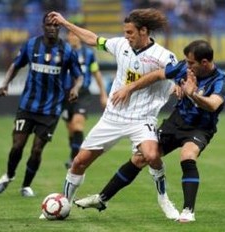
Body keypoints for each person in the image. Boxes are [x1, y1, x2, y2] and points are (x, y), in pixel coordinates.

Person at [74, 40, 225, 223]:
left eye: (191, 62)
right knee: (141, 158)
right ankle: (101, 199)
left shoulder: (221, 80)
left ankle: (188, 210)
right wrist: (130, 87)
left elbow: (213, 105)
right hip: (176, 121)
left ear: (204, 63)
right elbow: (157, 75)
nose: (187, 65)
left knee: (187, 156)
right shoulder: (183, 69)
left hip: (200, 127)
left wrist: (193, 93)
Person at [46, 8, 180, 219]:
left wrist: (179, 85)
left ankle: (163, 199)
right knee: (80, 161)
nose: (126, 37)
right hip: (113, 116)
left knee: (152, 155)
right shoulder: (120, 45)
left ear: (144, 31)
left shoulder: (163, 56)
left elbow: (178, 73)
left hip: (142, 118)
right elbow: (93, 39)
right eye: (125, 32)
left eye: (130, 33)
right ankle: (65, 203)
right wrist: (66, 23)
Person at [0, 13, 83, 197]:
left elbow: (79, 76)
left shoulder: (67, 51)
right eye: (49, 25)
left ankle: (26, 185)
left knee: (36, 149)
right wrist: (4, 84)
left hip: (51, 110)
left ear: (59, 28)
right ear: (43, 26)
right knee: (17, 145)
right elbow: (16, 65)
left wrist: (75, 88)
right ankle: (9, 175)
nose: (52, 28)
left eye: (56, 25)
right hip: (27, 106)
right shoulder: (31, 45)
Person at [62, 29, 108, 169]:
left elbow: (96, 73)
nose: (73, 37)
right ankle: (73, 154)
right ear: (68, 37)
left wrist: (103, 94)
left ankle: (75, 159)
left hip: (82, 94)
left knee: (77, 125)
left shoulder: (88, 54)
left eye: (75, 35)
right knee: (70, 129)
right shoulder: (61, 53)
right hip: (65, 95)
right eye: (70, 35)